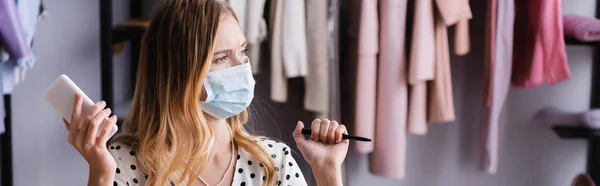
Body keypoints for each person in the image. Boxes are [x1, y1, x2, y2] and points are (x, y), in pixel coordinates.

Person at [61, 0, 349, 185]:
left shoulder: (273, 161)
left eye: (242, 51)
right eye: (222, 58)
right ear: (179, 74)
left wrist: (327, 172)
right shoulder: (122, 163)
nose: (243, 67)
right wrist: (100, 172)